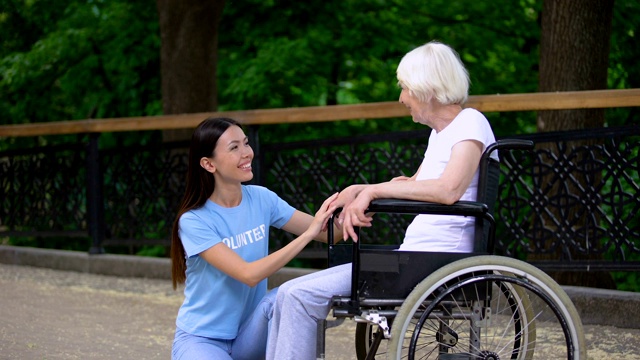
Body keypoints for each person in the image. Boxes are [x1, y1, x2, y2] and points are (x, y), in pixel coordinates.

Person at [266, 40, 498, 359]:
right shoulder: (442, 134)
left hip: (435, 264)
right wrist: (359, 189)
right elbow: (411, 185)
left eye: (404, 88)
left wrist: (373, 191)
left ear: (426, 88)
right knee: (287, 293)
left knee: (297, 295)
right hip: (415, 260)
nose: (402, 98)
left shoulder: (470, 122)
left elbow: (448, 190)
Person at [170, 117, 340, 360]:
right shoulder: (194, 221)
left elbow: (331, 232)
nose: (246, 153)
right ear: (208, 164)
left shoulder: (262, 198)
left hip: (251, 334)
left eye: (246, 143)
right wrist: (308, 235)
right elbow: (248, 274)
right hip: (202, 340)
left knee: (283, 298)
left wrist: (372, 198)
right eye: (234, 147)